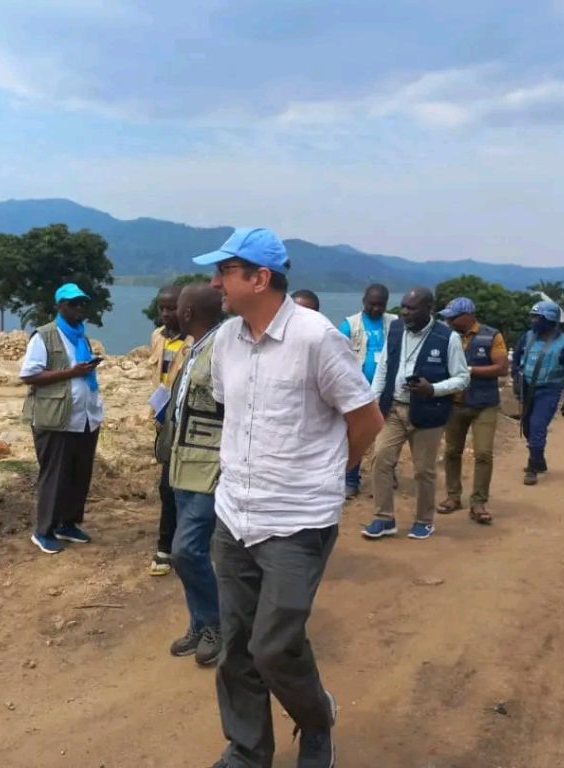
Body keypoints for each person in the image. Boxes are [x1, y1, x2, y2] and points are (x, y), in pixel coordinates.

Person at [193, 227, 384, 768]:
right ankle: (249, 749)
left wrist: (328, 475)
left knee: (274, 645)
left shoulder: (315, 337)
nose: (215, 283)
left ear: (260, 278)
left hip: (298, 521)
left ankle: (317, 720)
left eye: (225, 272)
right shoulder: (227, 340)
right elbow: (238, 416)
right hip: (234, 516)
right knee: (236, 646)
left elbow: (366, 420)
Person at [155, 283, 225, 666]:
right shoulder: (195, 347)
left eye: (175, 309)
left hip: (209, 467)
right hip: (184, 464)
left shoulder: (221, 351)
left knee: (187, 550)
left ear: (186, 314)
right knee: (188, 551)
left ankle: (216, 623)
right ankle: (200, 623)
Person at [364, 287, 469, 540]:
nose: (404, 312)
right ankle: (384, 518)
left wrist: (432, 389)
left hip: (428, 413)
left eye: (411, 308)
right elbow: (384, 367)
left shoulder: (447, 338)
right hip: (394, 408)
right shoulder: (396, 329)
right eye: (403, 307)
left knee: (423, 470)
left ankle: (424, 520)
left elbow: (462, 378)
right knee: (381, 459)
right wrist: (372, 400)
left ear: (428, 309)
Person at [19, 283, 103, 555]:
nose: (79, 308)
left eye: (82, 303)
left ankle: (67, 523)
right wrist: (71, 372)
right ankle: (43, 530)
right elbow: (29, 375)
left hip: (85, 418)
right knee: (54, 475)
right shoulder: (44, 337)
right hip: (55, 418)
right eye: (72, 303)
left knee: (78, 475)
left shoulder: (81, 337)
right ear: (60, 306)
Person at [435, 297, 509, 525]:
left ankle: (478, 502)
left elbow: (502, 368)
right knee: (452, 451)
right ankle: (453, 496)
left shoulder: (491, 336)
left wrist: (469, 371)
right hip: (454, 403)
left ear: (468, 315)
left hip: (484, 404)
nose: (449, 320)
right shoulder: (445, 336)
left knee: (484, 453)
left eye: (454, 316)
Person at [148, 284, 191, 576]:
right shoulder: (157, 338)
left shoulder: (197, 341)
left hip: (188, 421)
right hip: (164, 420)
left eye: (171, 307)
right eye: (162, 307)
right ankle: (169, 544)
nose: (165, 313)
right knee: (167, 484)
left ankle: (174, 545)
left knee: (178, 485)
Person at [338, 284, 397, 498]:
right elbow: (337, 356)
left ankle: (386, 475)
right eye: (372, 304)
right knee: (356, 436)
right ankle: (351, 480)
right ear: (364, 301)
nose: (376, 309)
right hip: (358, 393)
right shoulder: (349, 324)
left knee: (389, 437)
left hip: (387, 391)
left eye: (380, 305)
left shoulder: (394, 323)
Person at [512, 300, 564, 486]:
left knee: (537, 426)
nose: (533, 321)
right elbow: (516, 359)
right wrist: (515, 380)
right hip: (527, 388)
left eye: (538, 318)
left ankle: (533, 466)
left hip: (548, 390)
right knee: (526, 426)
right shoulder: (527, 337)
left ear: (550, 320)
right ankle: (539, 459)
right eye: (532, 317)